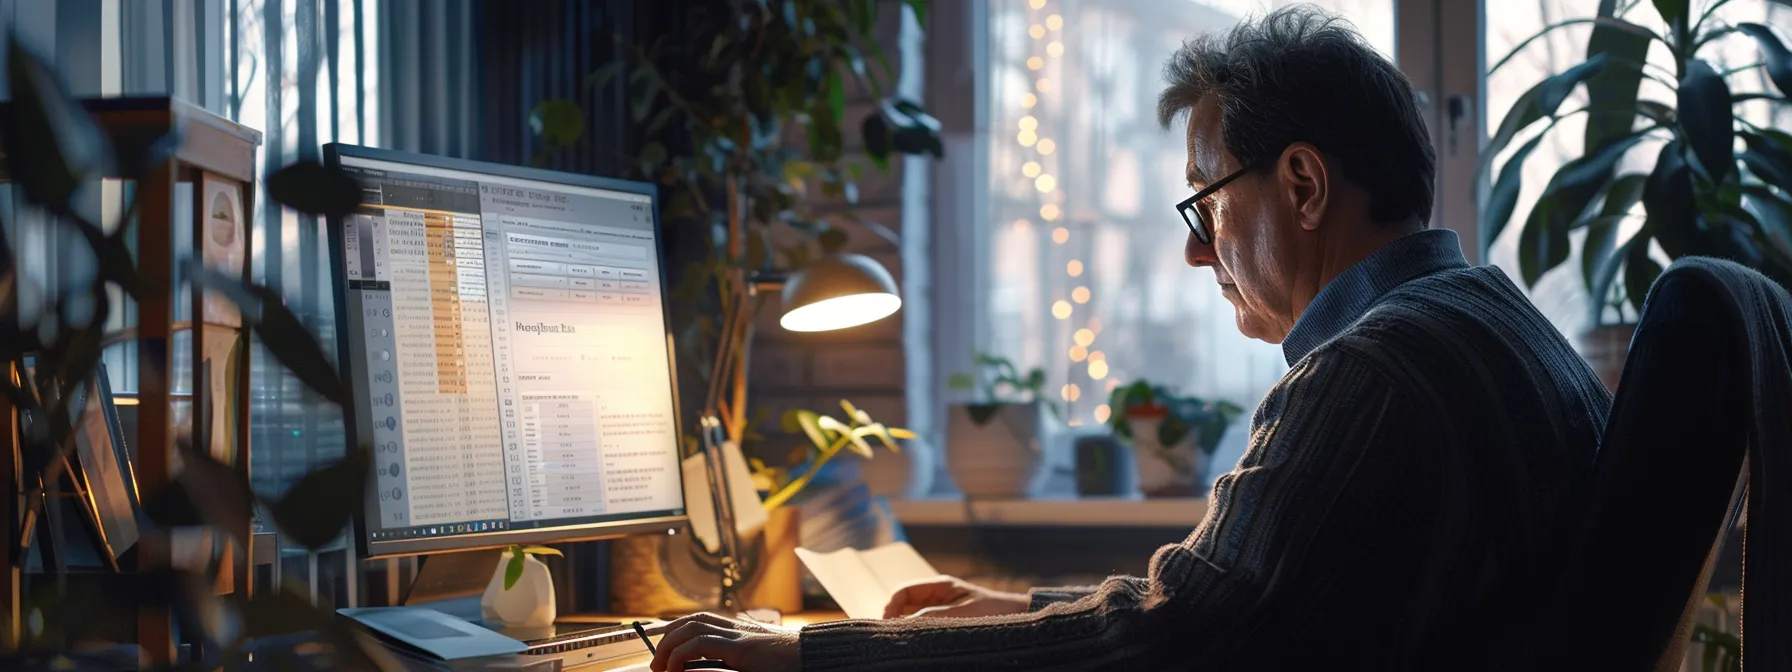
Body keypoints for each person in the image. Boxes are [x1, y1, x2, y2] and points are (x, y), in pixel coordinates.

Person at [650, 5, 1612, 671]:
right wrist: (1015, 611)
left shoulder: (1371, 374)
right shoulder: (1490, 319)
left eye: (1206, 206)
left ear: (1305, 186)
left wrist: (809, 654)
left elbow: (1177, 646)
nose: (1199, 256)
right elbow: (1235, 600)